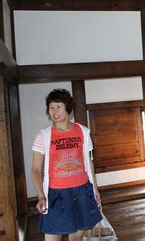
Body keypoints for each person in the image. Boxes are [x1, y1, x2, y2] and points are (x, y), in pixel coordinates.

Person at [31, 89, 102, 240]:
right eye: (51, 107)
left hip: (82, 190)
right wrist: (40, 195)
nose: (54, 111)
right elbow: (36, 170)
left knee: (76, 237)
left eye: (58, 106)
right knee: (52, 236)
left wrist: (95, 190)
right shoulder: (43, 136)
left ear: (68, 109)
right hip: (56, 194)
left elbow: (88, 162)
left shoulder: (83, 131)